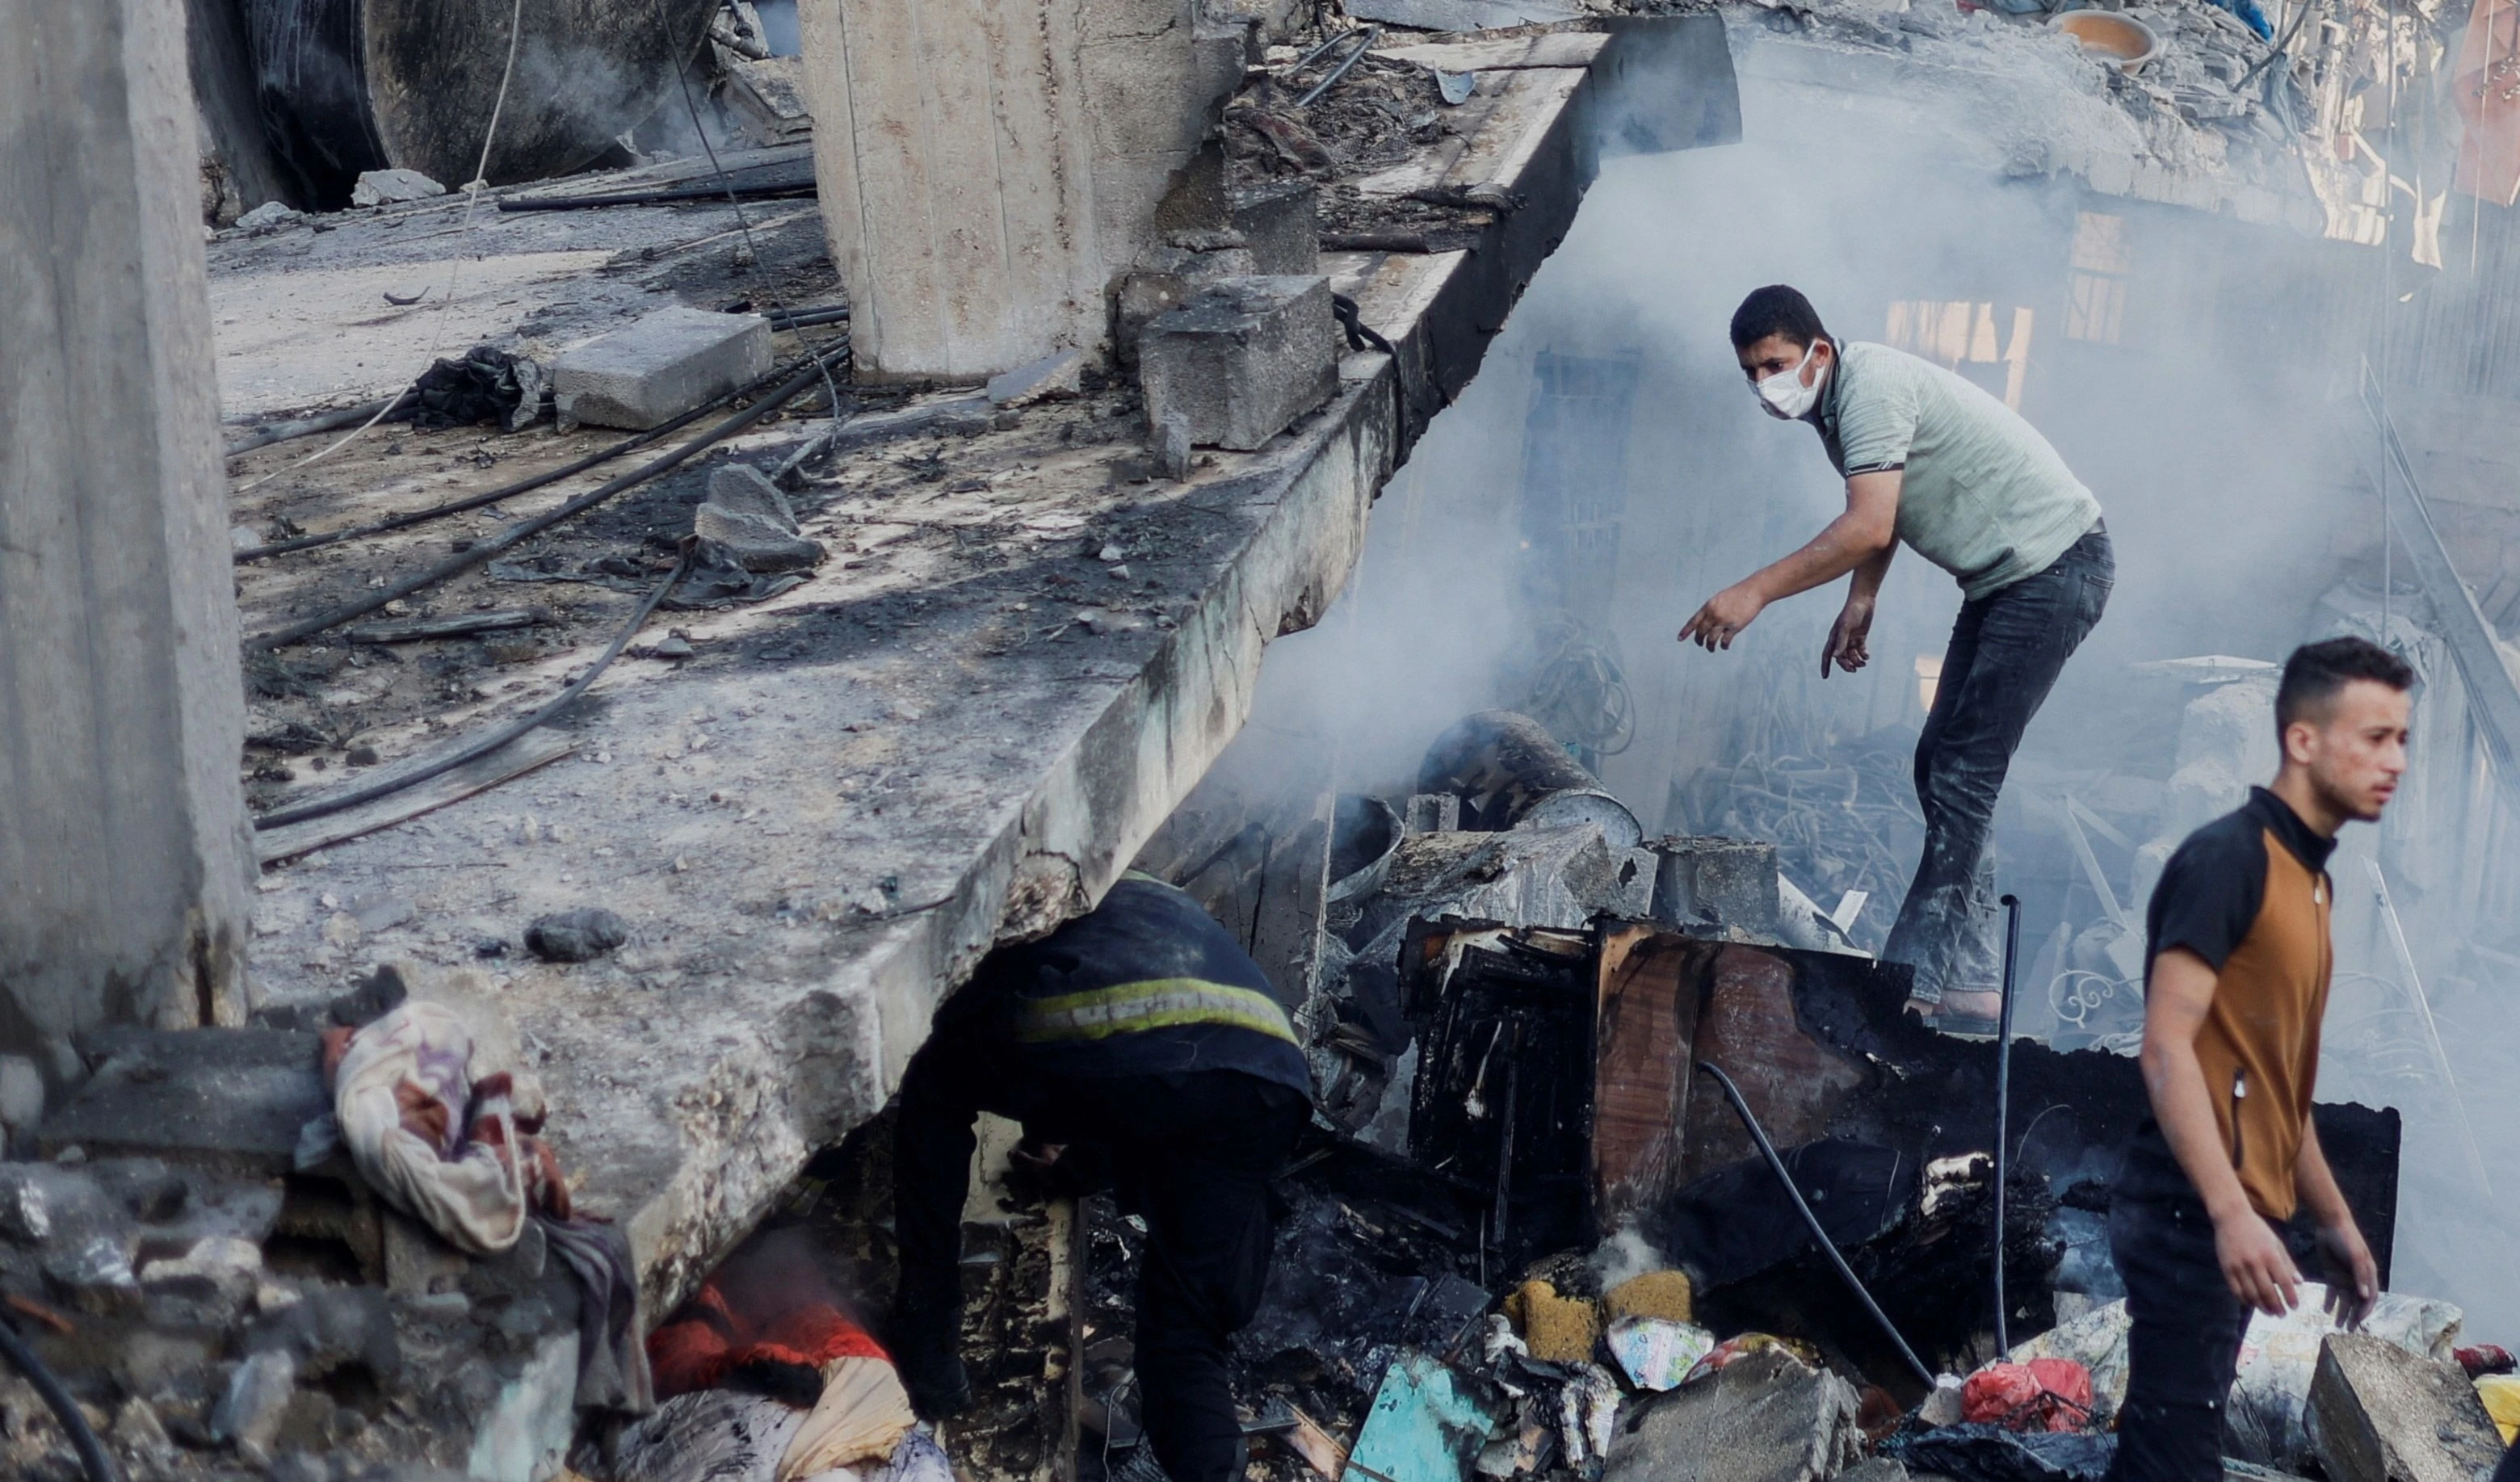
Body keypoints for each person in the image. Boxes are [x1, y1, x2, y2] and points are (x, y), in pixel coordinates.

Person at [1682, 284, 2112, 1023]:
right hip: (2007, 582)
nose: (1764, 384)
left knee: (1964, 773)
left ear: (1817, 352)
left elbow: (1869, 523)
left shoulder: (1869, 388)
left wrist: (1753, 592)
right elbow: (1886, 508)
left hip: (2054, 568)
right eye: (1751, 372)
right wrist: (1862, 596)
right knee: (1937, 764)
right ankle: (1971, 976)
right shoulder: (1836, 405)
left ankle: (1911, 984)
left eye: (1774, 364)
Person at [887, 875, 1312, 1482]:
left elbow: (1122, 1068)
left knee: (933, 1078)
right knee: (1185, 1332)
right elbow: (1153, 1098)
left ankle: (927, 1338)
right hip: (1270, 1075)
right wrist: (1081, 1163)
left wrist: (1059, 1130)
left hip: (1130, 1044)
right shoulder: (1114, 884)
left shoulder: (973, 906)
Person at [2106, 636, 2410, 1482]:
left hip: (2230, 1211)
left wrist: (2338, 1221)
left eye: (2401, 738)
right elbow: (2165, 1048)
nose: (2394, 760)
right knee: (2175, 1460)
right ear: (2304, 740)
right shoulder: (2227, 859)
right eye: (2372, 736)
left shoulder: (2312, 882)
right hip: (2183, 1211)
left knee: (2163, 1453)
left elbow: (2281, 1091)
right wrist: (2230, 1210)